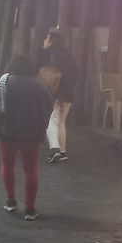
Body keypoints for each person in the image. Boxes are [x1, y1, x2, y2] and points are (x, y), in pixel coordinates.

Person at [0, 55, 53, 221]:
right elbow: (49, 106)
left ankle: (11, 201)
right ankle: (30, 209)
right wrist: (41, 126)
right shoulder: (38, 85)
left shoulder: (4, 82)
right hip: (31, 134)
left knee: (7, 166)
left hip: (7, 132)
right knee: (31, 170)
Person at [43, 30, 78, 164]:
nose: (44, 41)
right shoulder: (68, 56)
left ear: (51, 41)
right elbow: (76, 73)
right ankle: (63, 152)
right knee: (61, 123)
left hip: (55, 93)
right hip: (68, 93)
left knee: (51, 121)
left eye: (46, 38)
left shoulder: (49, 55)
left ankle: (55, 150)